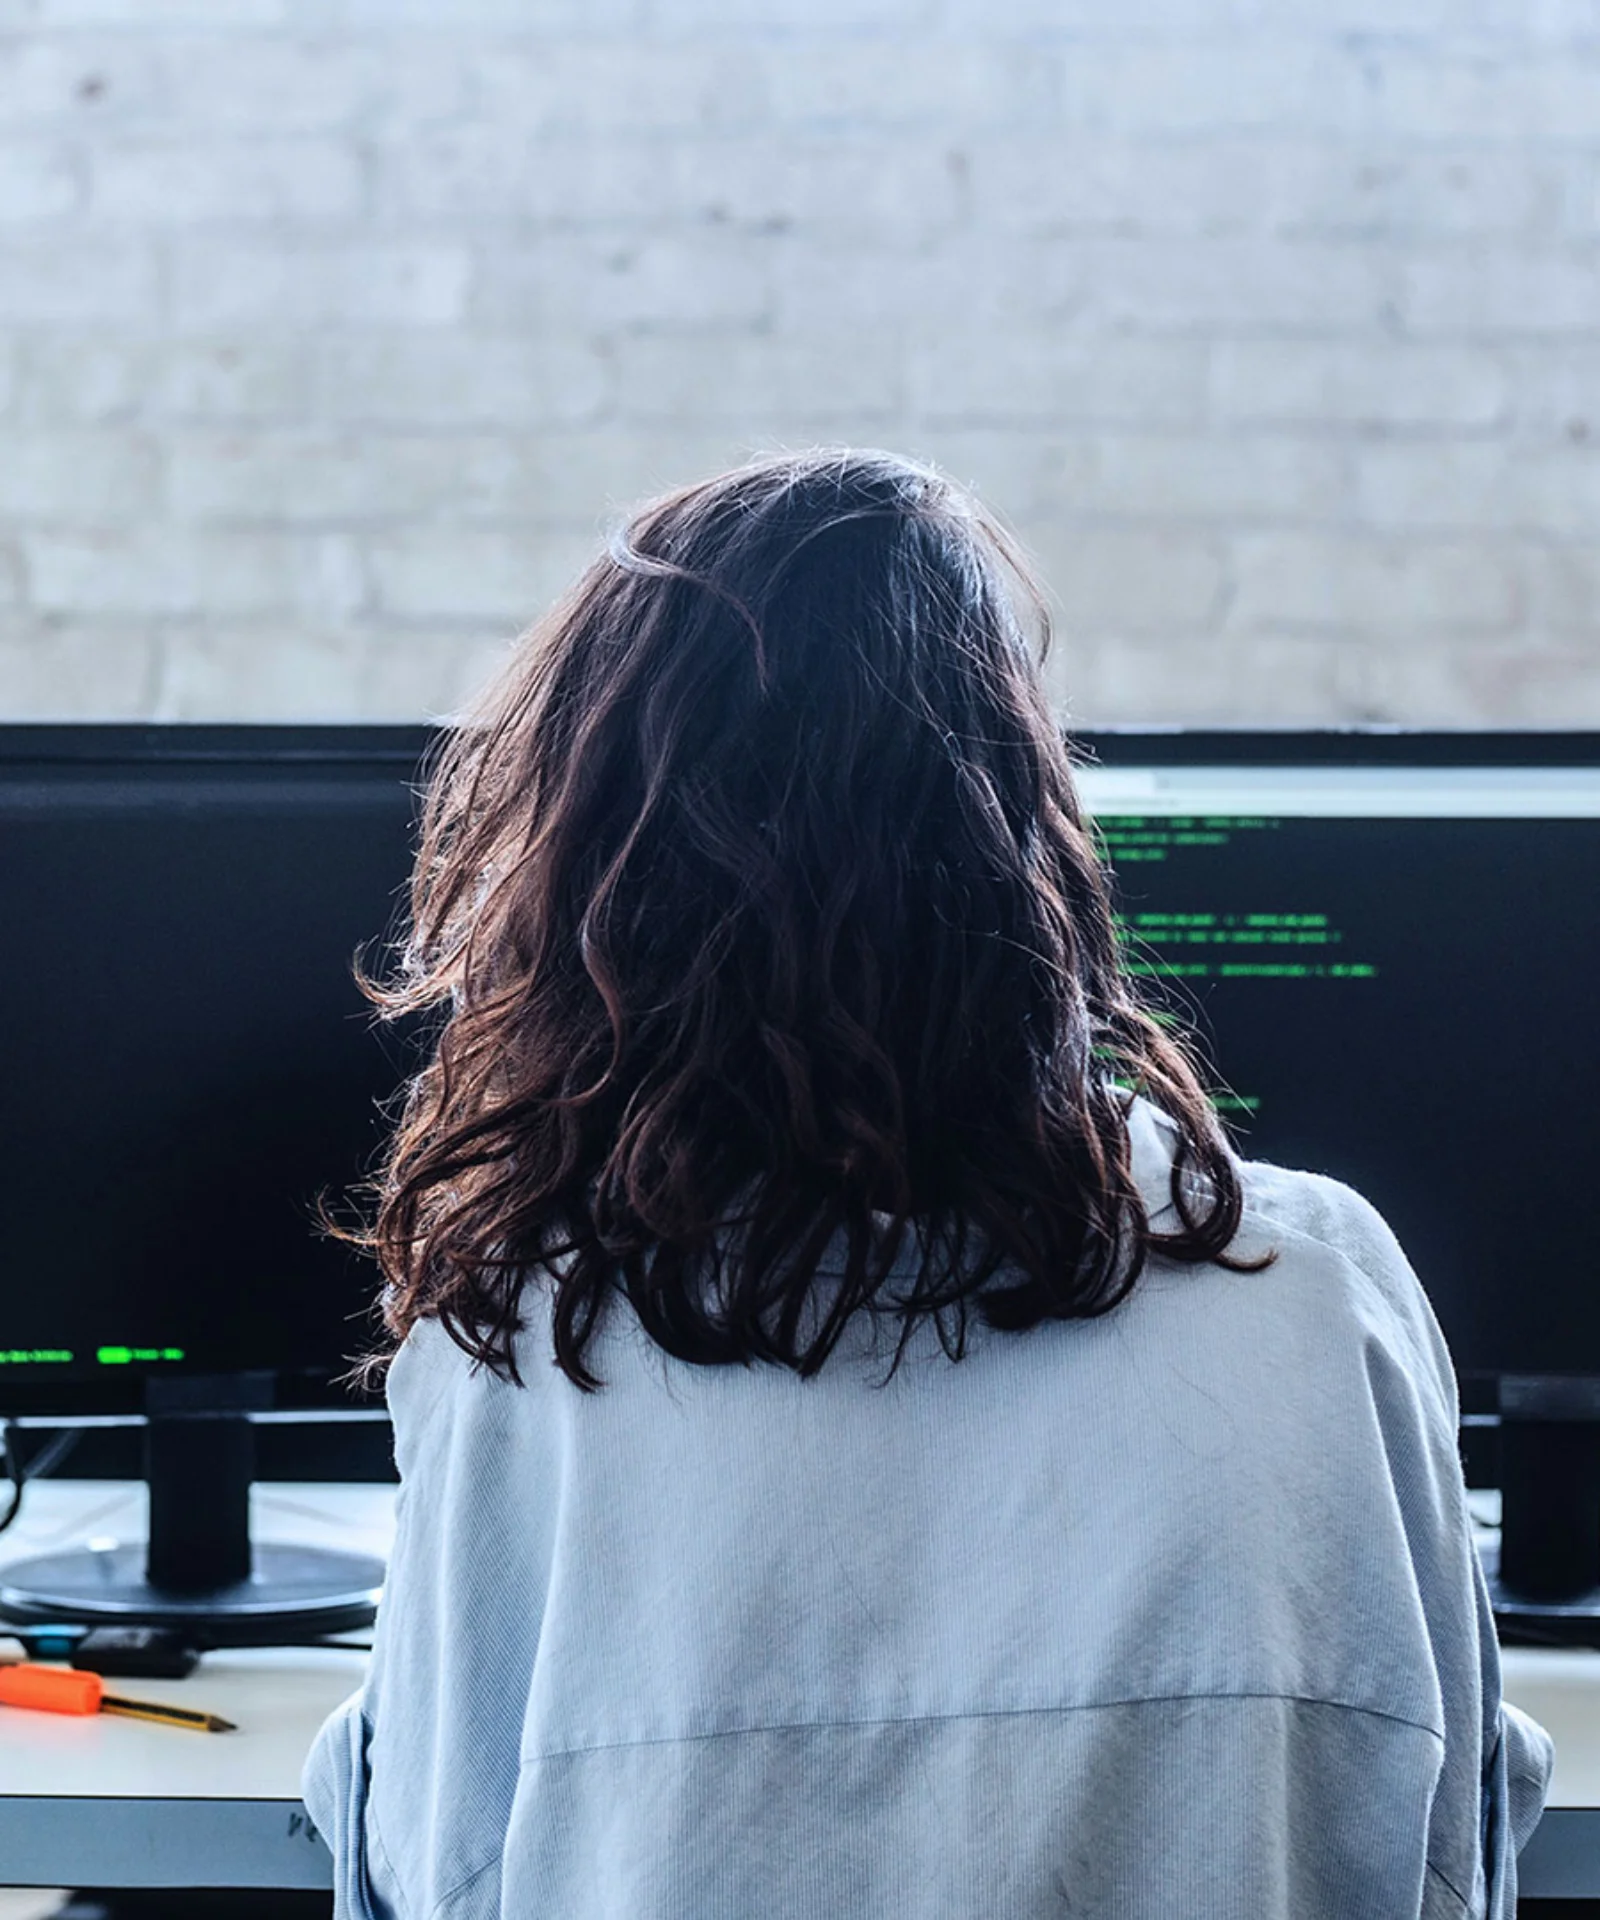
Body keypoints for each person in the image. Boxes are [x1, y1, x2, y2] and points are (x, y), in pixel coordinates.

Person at [305, 448, 1551, 1918]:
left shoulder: (533, 1344)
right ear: (1022, 836)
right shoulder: (1314, 1287)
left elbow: (427, 1872)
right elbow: (1456, 1827)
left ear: (598, 880)